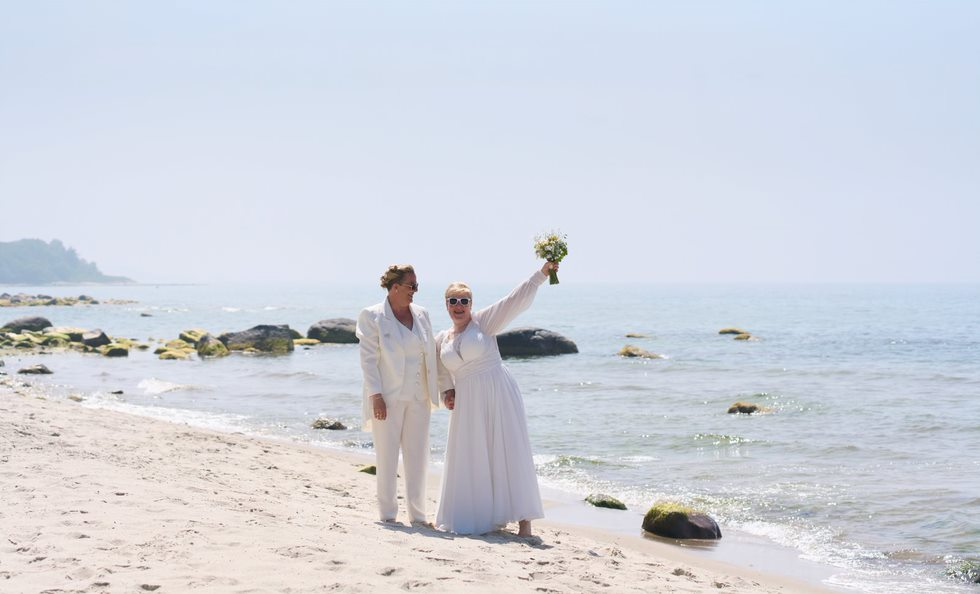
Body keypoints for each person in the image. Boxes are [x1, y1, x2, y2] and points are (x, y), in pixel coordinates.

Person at [435, 261, 559, 537]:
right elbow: (439, 368)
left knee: (508, 450)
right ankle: (478, 515)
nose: (459, 305)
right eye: (453, 301)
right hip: (467, 402)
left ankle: (524, 521)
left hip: (496, 392)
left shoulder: (483, 322)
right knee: (472, 454)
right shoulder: (442, 338)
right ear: (446, 304)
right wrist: (446, 391)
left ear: (471, 303)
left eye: (464, 301)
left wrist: (541, 275)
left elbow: (513, 300)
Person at [356, 264, 441, 525]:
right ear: (395, 287)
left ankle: (418, 515)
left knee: (417, 456)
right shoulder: (372, 316)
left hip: (419, 396)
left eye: (416, 286)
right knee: (387, 455)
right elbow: (369, 360)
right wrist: (376, 395)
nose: (415, 291)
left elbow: (431, 355)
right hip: (388, 397)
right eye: (411, 286)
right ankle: (388, 514)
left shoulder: (422, 314)